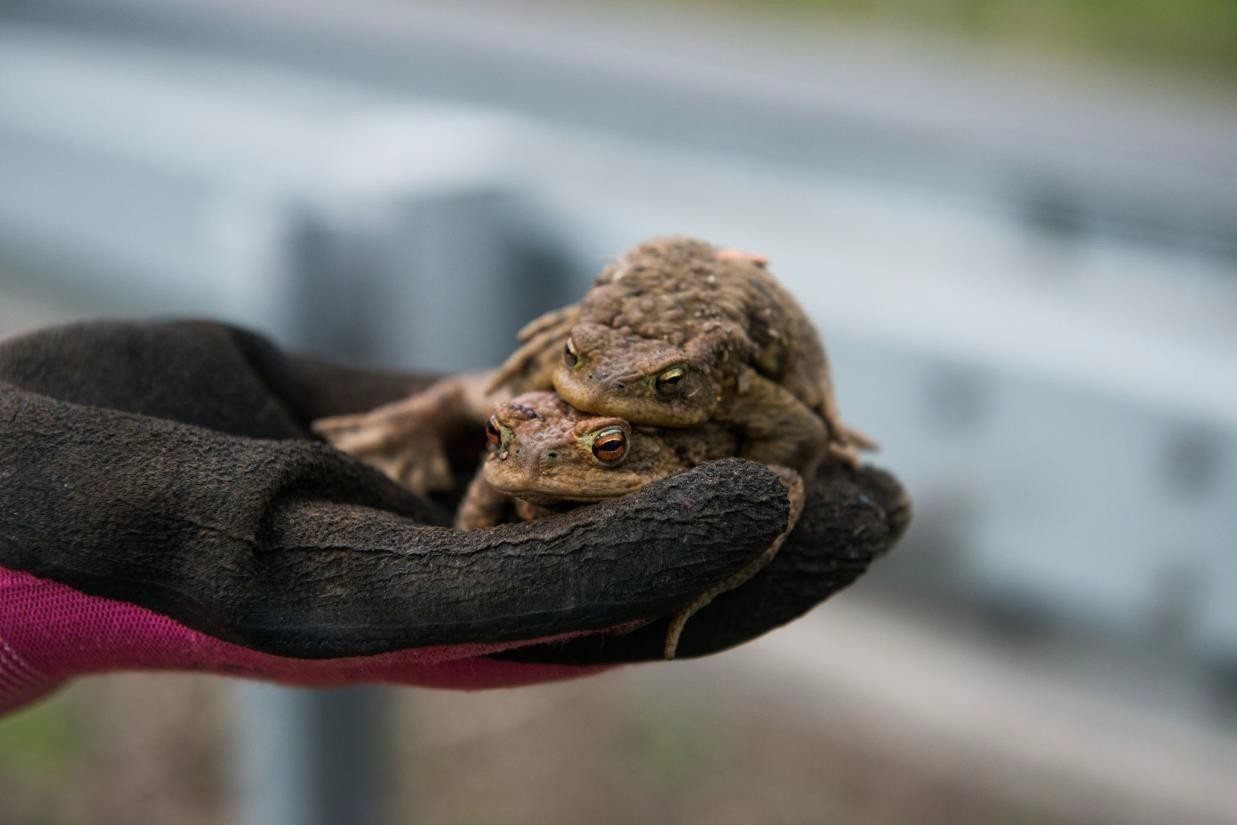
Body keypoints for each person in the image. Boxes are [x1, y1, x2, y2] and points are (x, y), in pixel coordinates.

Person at [0, 319, 908, 715]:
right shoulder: (518, 439)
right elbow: (504, 454)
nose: (523, 467)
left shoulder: (687, 437)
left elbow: (760, 439)